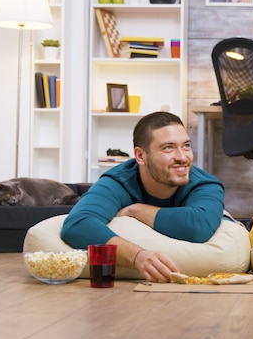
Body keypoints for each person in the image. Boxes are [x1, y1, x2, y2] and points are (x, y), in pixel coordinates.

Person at [61, 112, 226, 282]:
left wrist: (136, 210)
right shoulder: (119, 181)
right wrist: (136, 257)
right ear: (140, 156)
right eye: (168, 147)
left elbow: (197, 227)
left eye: (186, 145)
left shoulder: (205, 184)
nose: (182, 157)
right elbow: (77, 224)